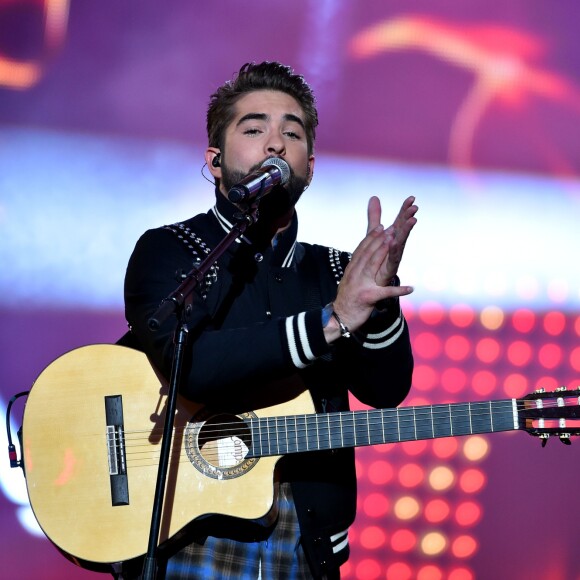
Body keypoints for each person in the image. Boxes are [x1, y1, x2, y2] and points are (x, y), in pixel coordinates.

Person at [123, 61, 418, 579]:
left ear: (309, 165)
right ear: (215, 161)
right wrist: (331, 321)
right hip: (189, 534)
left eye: (292, 133)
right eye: (254, 129)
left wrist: (381, 298)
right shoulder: (170, 251)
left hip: (303, 546)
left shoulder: (336, 272)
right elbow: (191, 366)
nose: (276, 144)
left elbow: (386, 390)